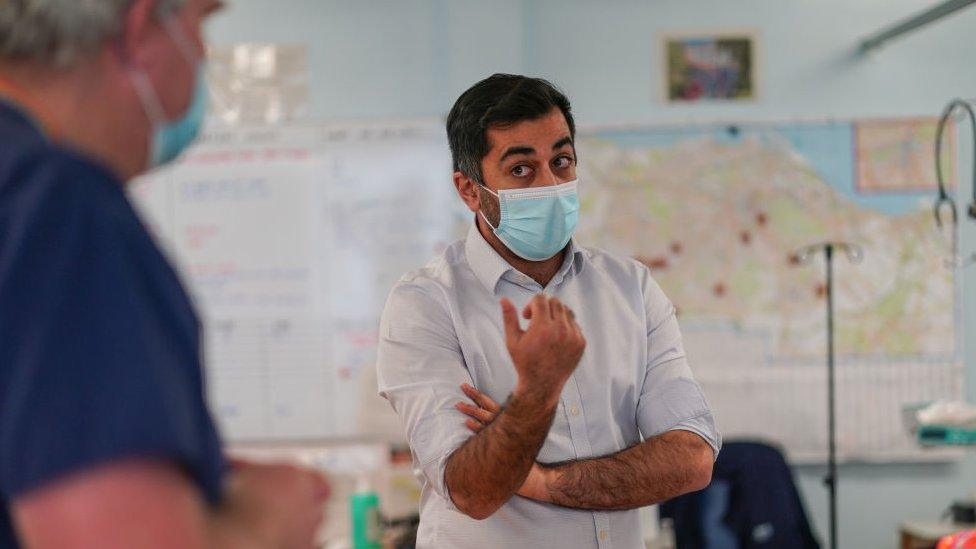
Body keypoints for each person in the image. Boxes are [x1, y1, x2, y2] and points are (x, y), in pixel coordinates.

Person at [0, 1, 329, 547]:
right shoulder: (55, 206)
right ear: (139, 31)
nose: (203, 53)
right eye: (203, 23)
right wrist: (270, 514)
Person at [376, 73, 721, 548]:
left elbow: (691, 458)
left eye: (562, 161)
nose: (551, 183)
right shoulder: (425, 304)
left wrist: (538, 479)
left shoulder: (631, 287)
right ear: (470, 190)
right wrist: (538, 389)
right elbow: (472, 490)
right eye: (521, 169)